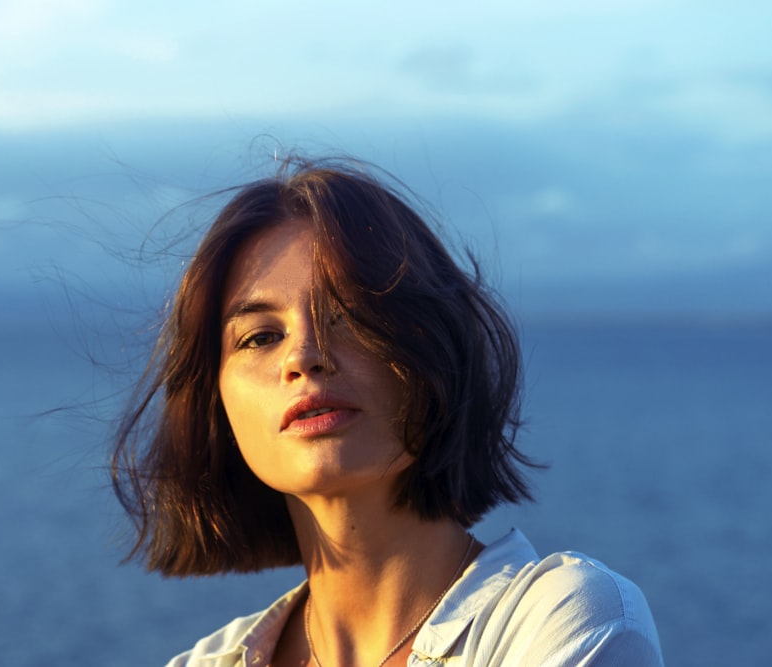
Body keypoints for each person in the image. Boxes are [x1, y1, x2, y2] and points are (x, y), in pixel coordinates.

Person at [112, 157, 665, 666]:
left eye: (349, 317)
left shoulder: (561, 621)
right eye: (259, 337)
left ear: (433, 350)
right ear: (217, 404)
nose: (303, 357)